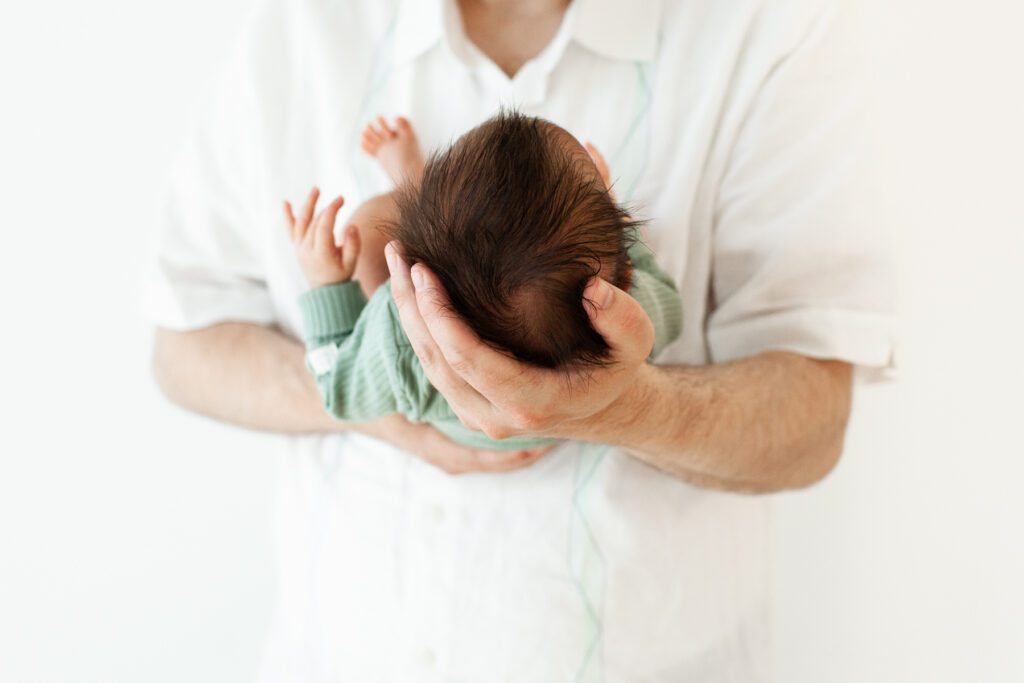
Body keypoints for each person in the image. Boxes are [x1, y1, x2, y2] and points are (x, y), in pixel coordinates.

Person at [147, 0, 895, 680]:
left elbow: (341, 378)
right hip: (335, 656)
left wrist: (328, 290)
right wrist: (624, 333)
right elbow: (181, 349)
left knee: (371, 235)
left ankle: (398, 200)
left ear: (421, 302)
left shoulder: (405, 361)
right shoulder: (633, 313)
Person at [288, 112, 683, 450]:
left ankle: (408, 181)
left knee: (368, 228)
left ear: (412, 268)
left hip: (458, 431)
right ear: (624, 275)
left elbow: (336, 388)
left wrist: (327, 286)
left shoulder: (398, 340)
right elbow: (668, 302)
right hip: (560, 437)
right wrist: (614, 226)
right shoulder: (628, 320)